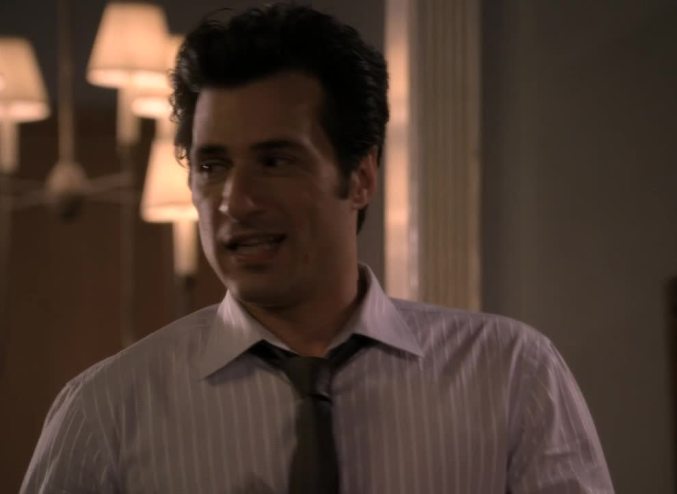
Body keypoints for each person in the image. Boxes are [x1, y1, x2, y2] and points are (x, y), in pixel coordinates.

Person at [21, 3, 614, 493]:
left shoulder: (510, 375)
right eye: (212, 165)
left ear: (360, 177)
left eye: (276, 161)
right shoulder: (107, 411)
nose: (236, 201)